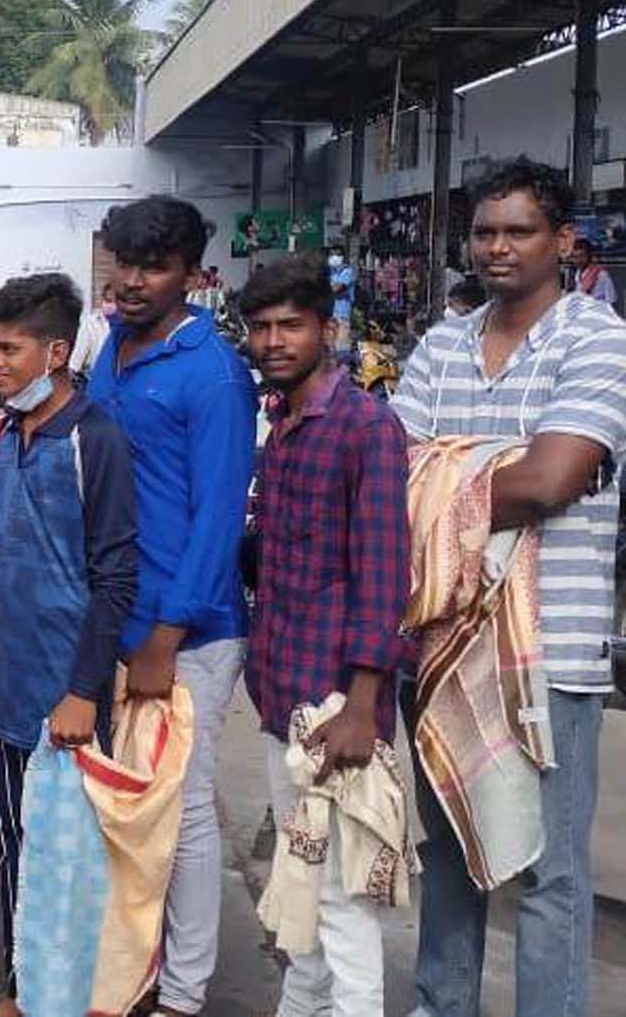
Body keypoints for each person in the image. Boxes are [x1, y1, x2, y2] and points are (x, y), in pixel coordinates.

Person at [390, 158, 626, 1017]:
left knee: (548, 870)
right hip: (442, 643)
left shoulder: (598, 339)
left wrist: (446, 471)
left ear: (562, 241)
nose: (497, 247)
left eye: (518, 230)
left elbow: (553, 479)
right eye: (484, 231)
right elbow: (391, 475)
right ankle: (439, 1005)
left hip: (550, 649)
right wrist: (497, 465)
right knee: (452, 847)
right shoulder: (441, 343)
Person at [85, 195, 257, 1017]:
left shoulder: (216, 373)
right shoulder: (111, 350)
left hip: (186, 632)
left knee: (183, 810)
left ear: (194, 274)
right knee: (122, 804)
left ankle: (184, 996)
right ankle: (130, 971)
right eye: (123, 261)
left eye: (153, 266)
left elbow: (220, 518)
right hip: (111, 616)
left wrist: (166, 634)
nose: (131, 280)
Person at [0, 272, 138, 1016]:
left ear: (57, 351)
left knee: (69, 860)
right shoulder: (5, 434)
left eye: (10, 348)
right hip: (4, 687)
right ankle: (23, 990)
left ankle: (71, 998)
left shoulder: (94, 440)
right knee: (13, 844)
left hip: (67, 698)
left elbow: (116, 576)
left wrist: (82, 692)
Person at [237, 254, 412, 1017]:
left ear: (327, 330)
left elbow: (382, 572)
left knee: (340, 898)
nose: (274, 341)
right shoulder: (284, 424)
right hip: (285, 695)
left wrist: (362, 707)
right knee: (302, 881)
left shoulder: (364, 427)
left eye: (291, 326)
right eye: (262, 328)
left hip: (337, 704)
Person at [69, 282, 117, 375]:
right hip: (95, 376)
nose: (111, 305)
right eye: (108, 300)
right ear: (102, 300)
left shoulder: (130, 324)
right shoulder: (91, 322)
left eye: (115, 302)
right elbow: (77, 357)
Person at [569, 237, 617, 308]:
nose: (579, 260)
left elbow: (611, 300)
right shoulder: (577, 274)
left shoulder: (601, 275)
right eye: (575, 257)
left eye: (582, 256)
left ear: (589, 255)